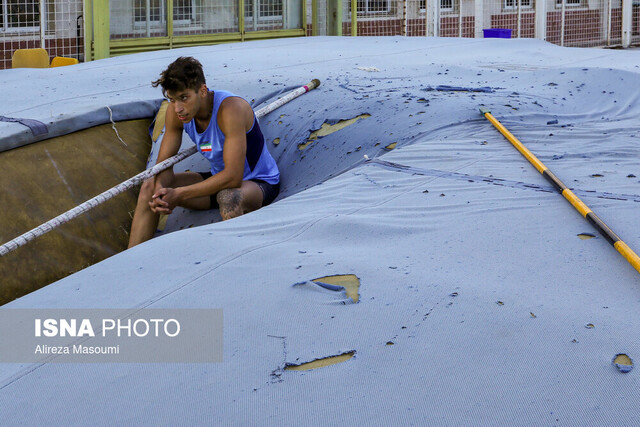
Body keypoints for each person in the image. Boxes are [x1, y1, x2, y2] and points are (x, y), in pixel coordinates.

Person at [128, 56, 280, 248]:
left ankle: (232, 267)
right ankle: (128, 263)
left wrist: (179, 194)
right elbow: (164, 165)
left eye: (184, 98)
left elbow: (233, 178)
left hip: (256, 183)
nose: (178, 108)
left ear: (202, 91)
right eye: (172, 99)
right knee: (150, 186)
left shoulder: (230, 110)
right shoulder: (176, 113)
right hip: (218, 181)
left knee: (229, 197)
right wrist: (162, 194)